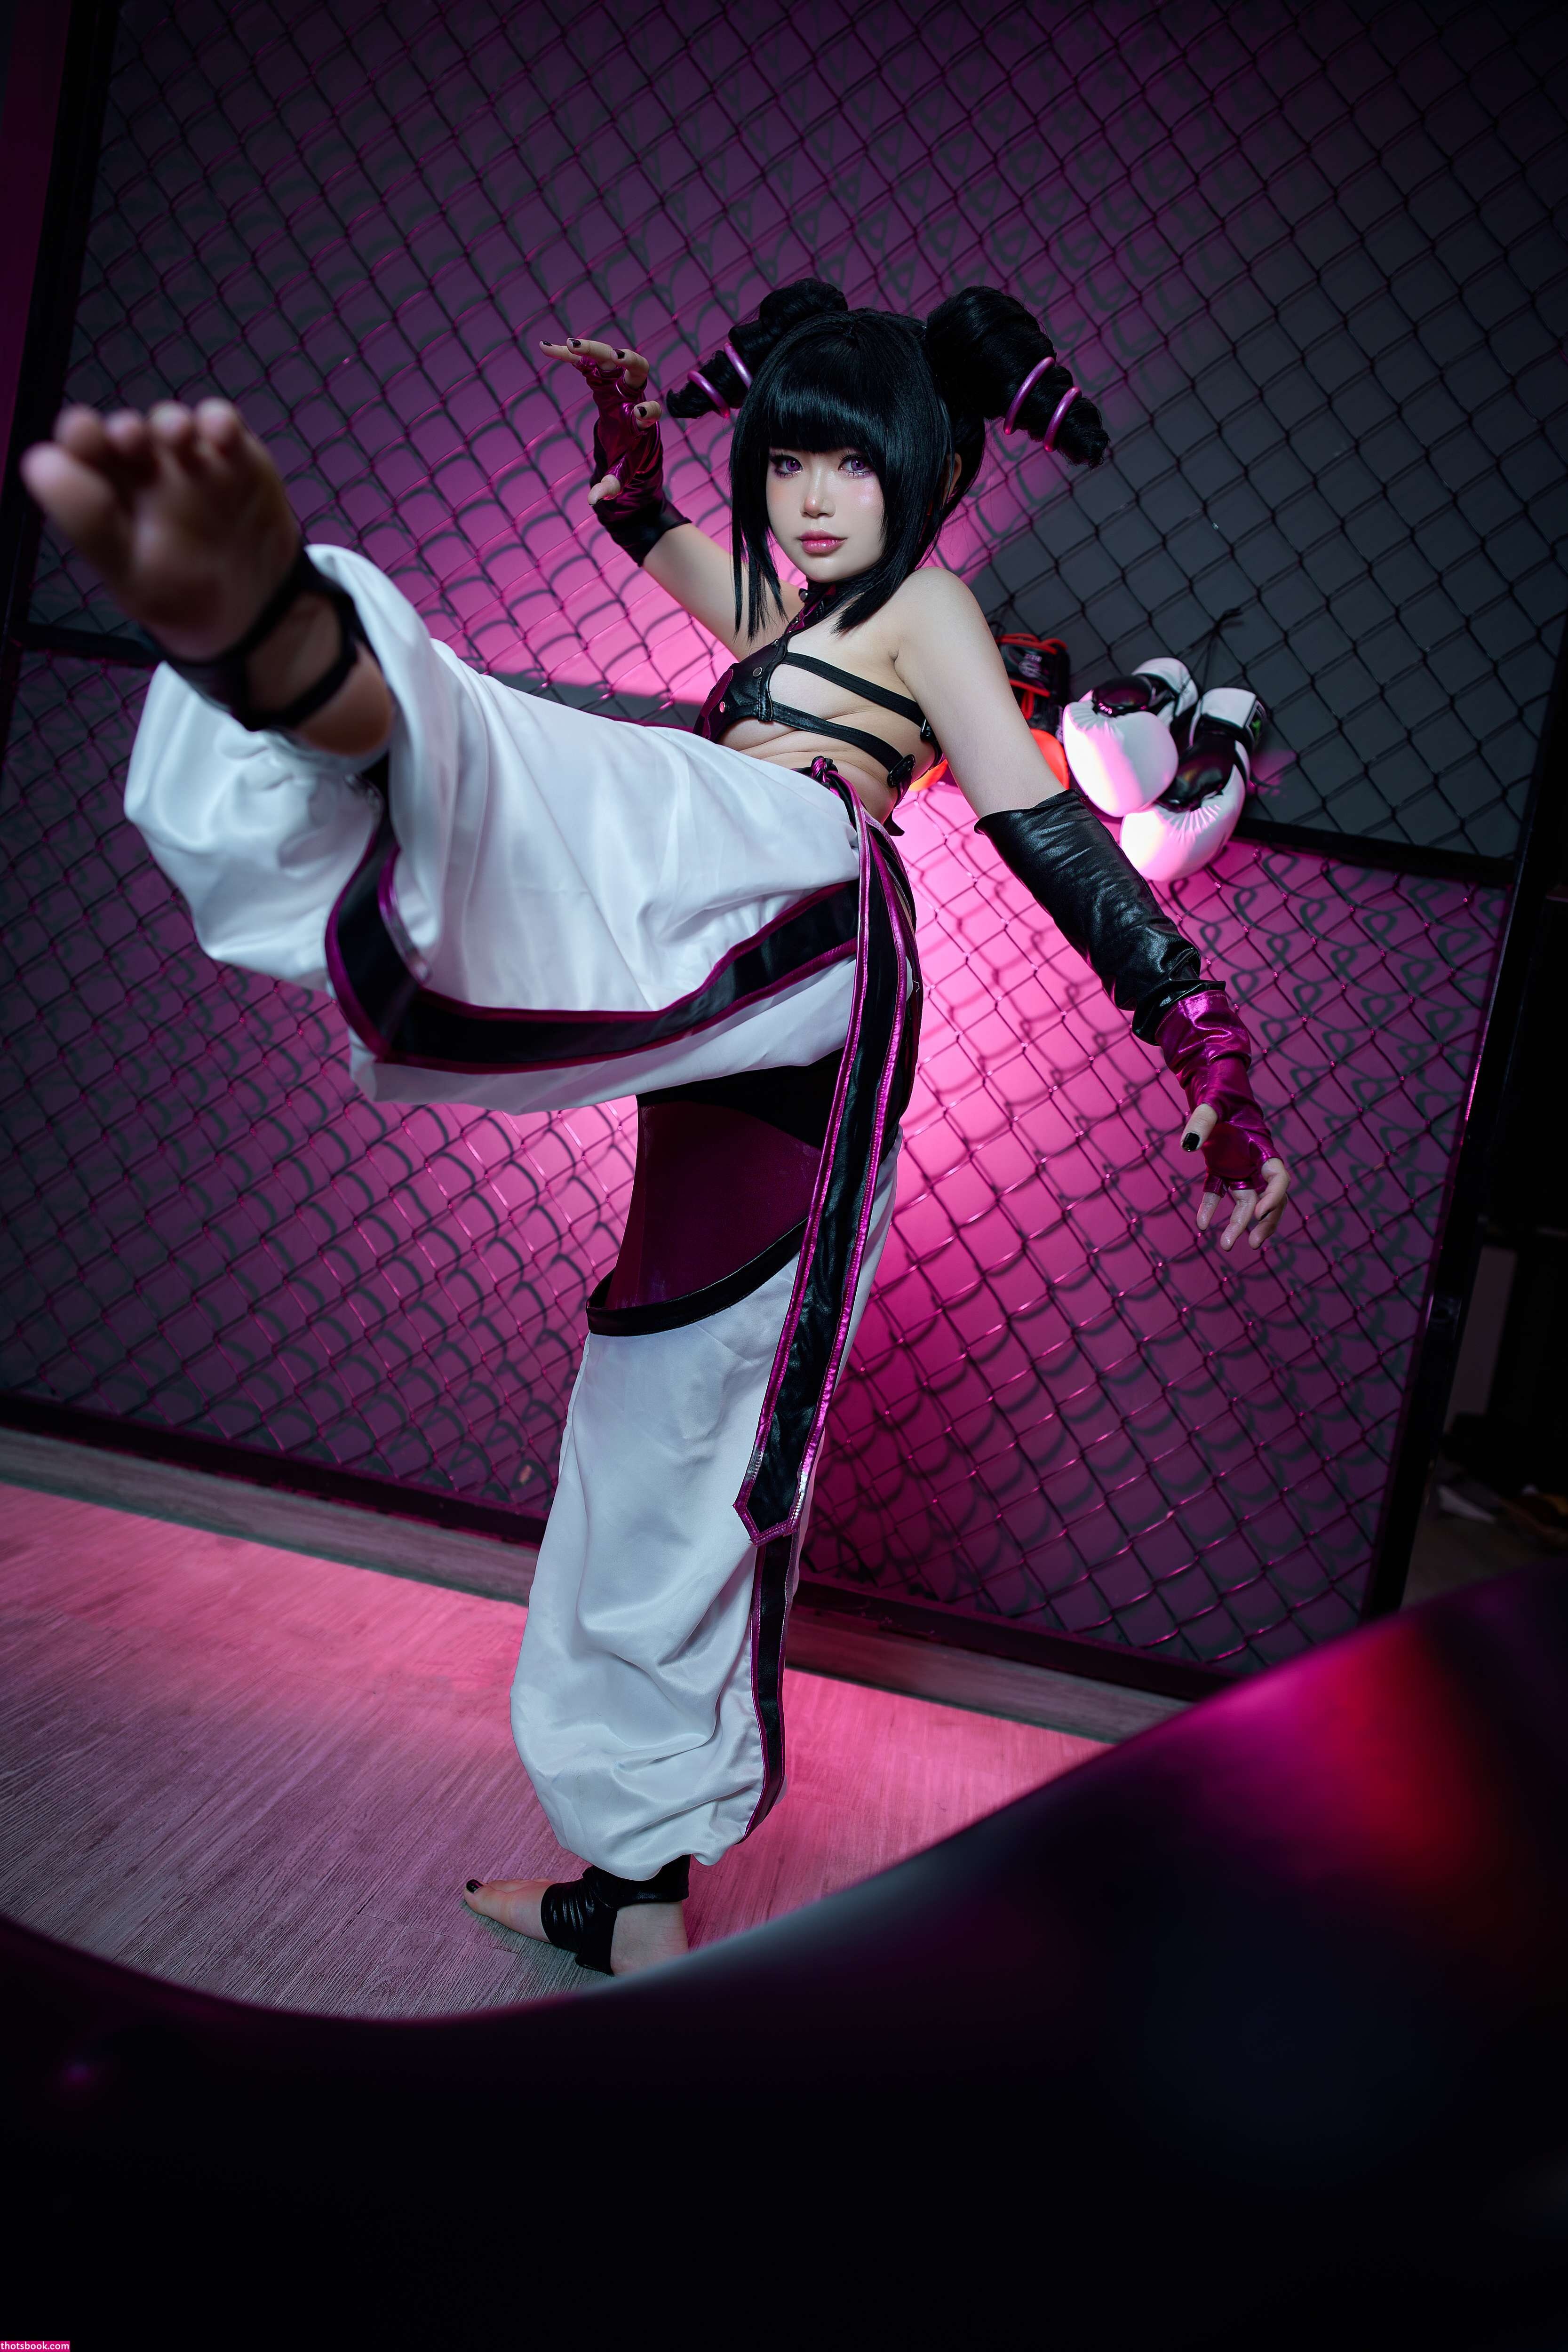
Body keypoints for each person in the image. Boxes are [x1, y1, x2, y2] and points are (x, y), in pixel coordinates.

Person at [22, 278, 1289, 1977]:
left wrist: (1199, 1034)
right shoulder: (787, 615)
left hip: (816, 918)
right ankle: (629, 1891)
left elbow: (1042, 828)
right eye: (789, 462)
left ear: (925, 471)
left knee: (639, 816)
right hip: (732, 941)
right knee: (651, 1402)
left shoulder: (929, 613)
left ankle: (342, 686)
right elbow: (643, 526)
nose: (811, 498)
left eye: (851, 465)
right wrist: (635, 439)